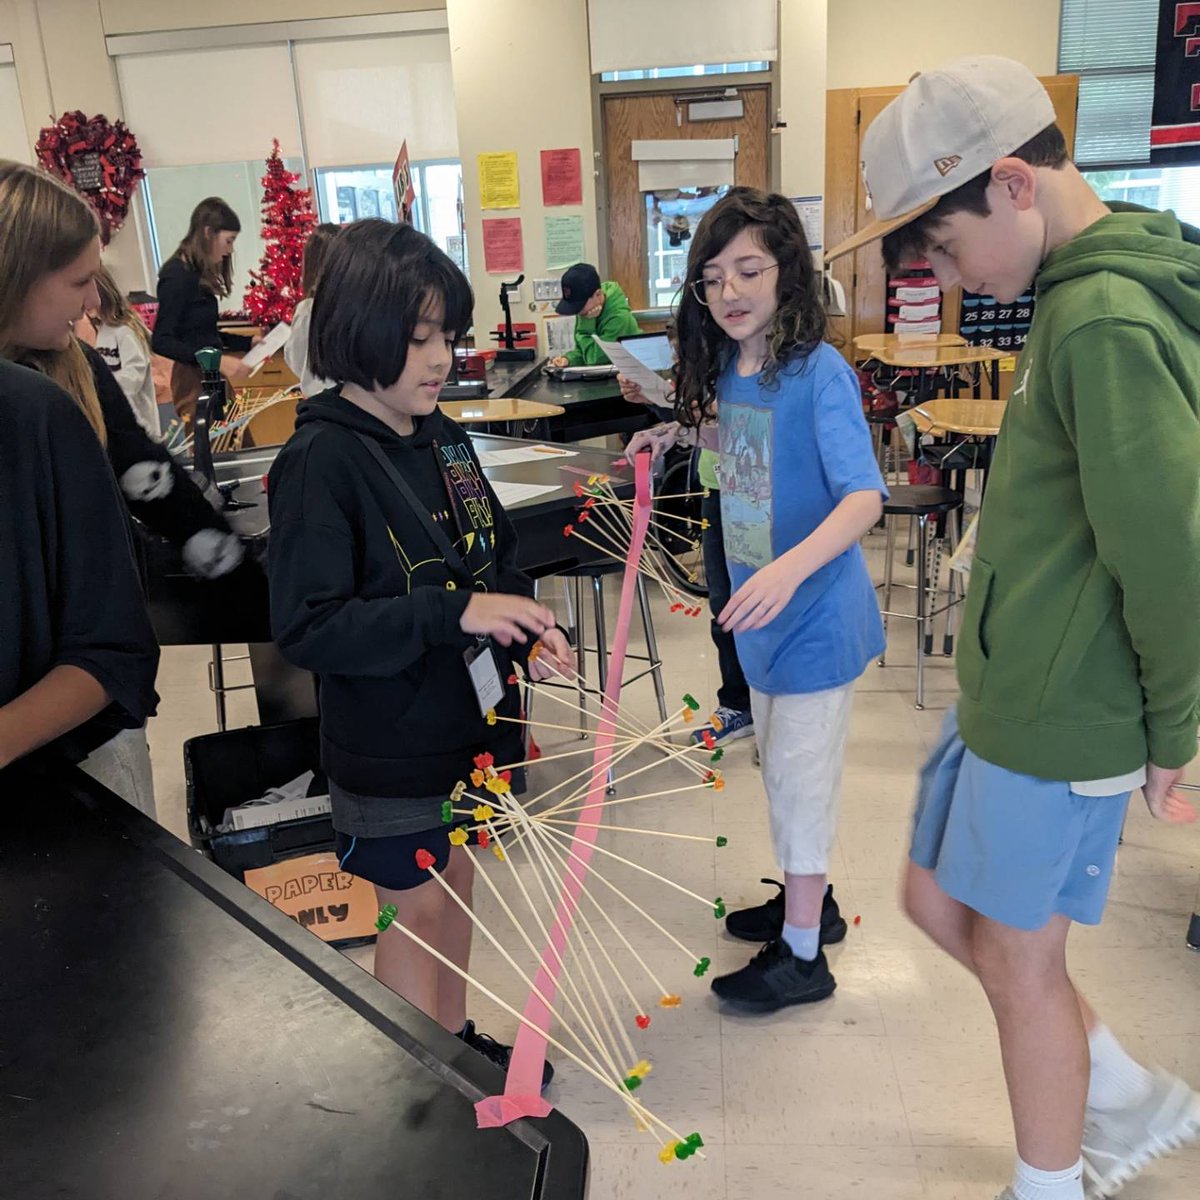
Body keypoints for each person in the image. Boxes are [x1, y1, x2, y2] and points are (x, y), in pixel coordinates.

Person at [826, 56, 1200, 1200]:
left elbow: (1173, 553)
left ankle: (1053, 1179)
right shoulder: (1068, 292)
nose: (935, 271)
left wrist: (1174, 733)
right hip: (1011, 689)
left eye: (937, 245)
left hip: (1063, 710)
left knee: (1022, 964)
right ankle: (1123, 1092)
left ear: (1012, 185)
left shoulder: (1103, 319)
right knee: (934, 902)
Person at [267, 219, 573, 1082]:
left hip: (468, 731)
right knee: (415, 912)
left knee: (459, 892)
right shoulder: (320, 460)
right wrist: (457, 613)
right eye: (418, 338)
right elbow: (311, 625)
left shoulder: (439, 432)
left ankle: (453, 1042)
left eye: (449, 336)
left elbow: (493, 558)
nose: (441, 357)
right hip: (390, 749)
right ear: (359, 332)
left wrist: (530, 629)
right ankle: (419, 1085)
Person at [629, 187, 887, 1010]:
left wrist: (784, 572)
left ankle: (804, 958)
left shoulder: (819, 372)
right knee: (783, 777)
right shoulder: (741, 372)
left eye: (748, 270)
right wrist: (680, 432)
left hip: (811, 619)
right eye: (712, 277)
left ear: (788, 274)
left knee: (801, 787)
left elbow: (863, 497)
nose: (730, 292)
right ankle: (815, 903)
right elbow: (750, 450)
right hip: (761, 625)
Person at [152, 197, 255, 428]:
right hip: (193, 382)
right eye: (228, 241)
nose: (230, 250)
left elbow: (202, 332)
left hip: (211, 377)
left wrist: (249, 342)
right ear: (208, 233)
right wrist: (217, 361)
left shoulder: (196, 273)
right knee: (212, 455)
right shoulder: (177, 276)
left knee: (235, 448)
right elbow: (161, 340)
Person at [90, 264, 159, 437]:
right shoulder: (104, 330)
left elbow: (134, 375)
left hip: (141, 425)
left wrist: (107, 391)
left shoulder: (126, 330)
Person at [548, 262, 641, 368]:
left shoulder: (619, 319)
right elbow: (584, 350)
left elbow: (594, 360)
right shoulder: (588, 311)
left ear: (598, 294)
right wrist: (569, 359)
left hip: (629, 379)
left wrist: (586, 323)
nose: (579, 312)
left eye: (580, 305)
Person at [284, 222, 339, 397]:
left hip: (321, 397)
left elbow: (294, 358)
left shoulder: (308, 309)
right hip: (332, 398)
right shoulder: (310, 309)